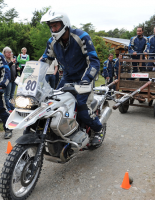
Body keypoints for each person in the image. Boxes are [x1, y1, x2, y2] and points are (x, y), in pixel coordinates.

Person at [40, 10, 102, 145]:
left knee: (82, 109)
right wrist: (34, 76)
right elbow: (45, 60)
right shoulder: (52, 42)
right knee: (55, 104)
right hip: (67, 77)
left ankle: (98, 130)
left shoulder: (81, 36)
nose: (53, 29)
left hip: (83, 78)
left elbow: (94, 61)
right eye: (51, 26)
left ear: (65, 24)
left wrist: (87, 79)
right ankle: (64, 131)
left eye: (56, 26)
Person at [2, 46, 17, 112]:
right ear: (4, 53)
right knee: (7, 95)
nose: (9, 54)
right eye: (8, 53)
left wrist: (16, 75)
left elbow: (14, 69)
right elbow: (6, 67)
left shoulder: (12, 60)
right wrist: (11, 62)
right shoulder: (4, 60)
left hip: (13, 79)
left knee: (12, 95)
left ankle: (12, 106)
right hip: (8, 80)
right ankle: (7, 108)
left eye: (10, 53)